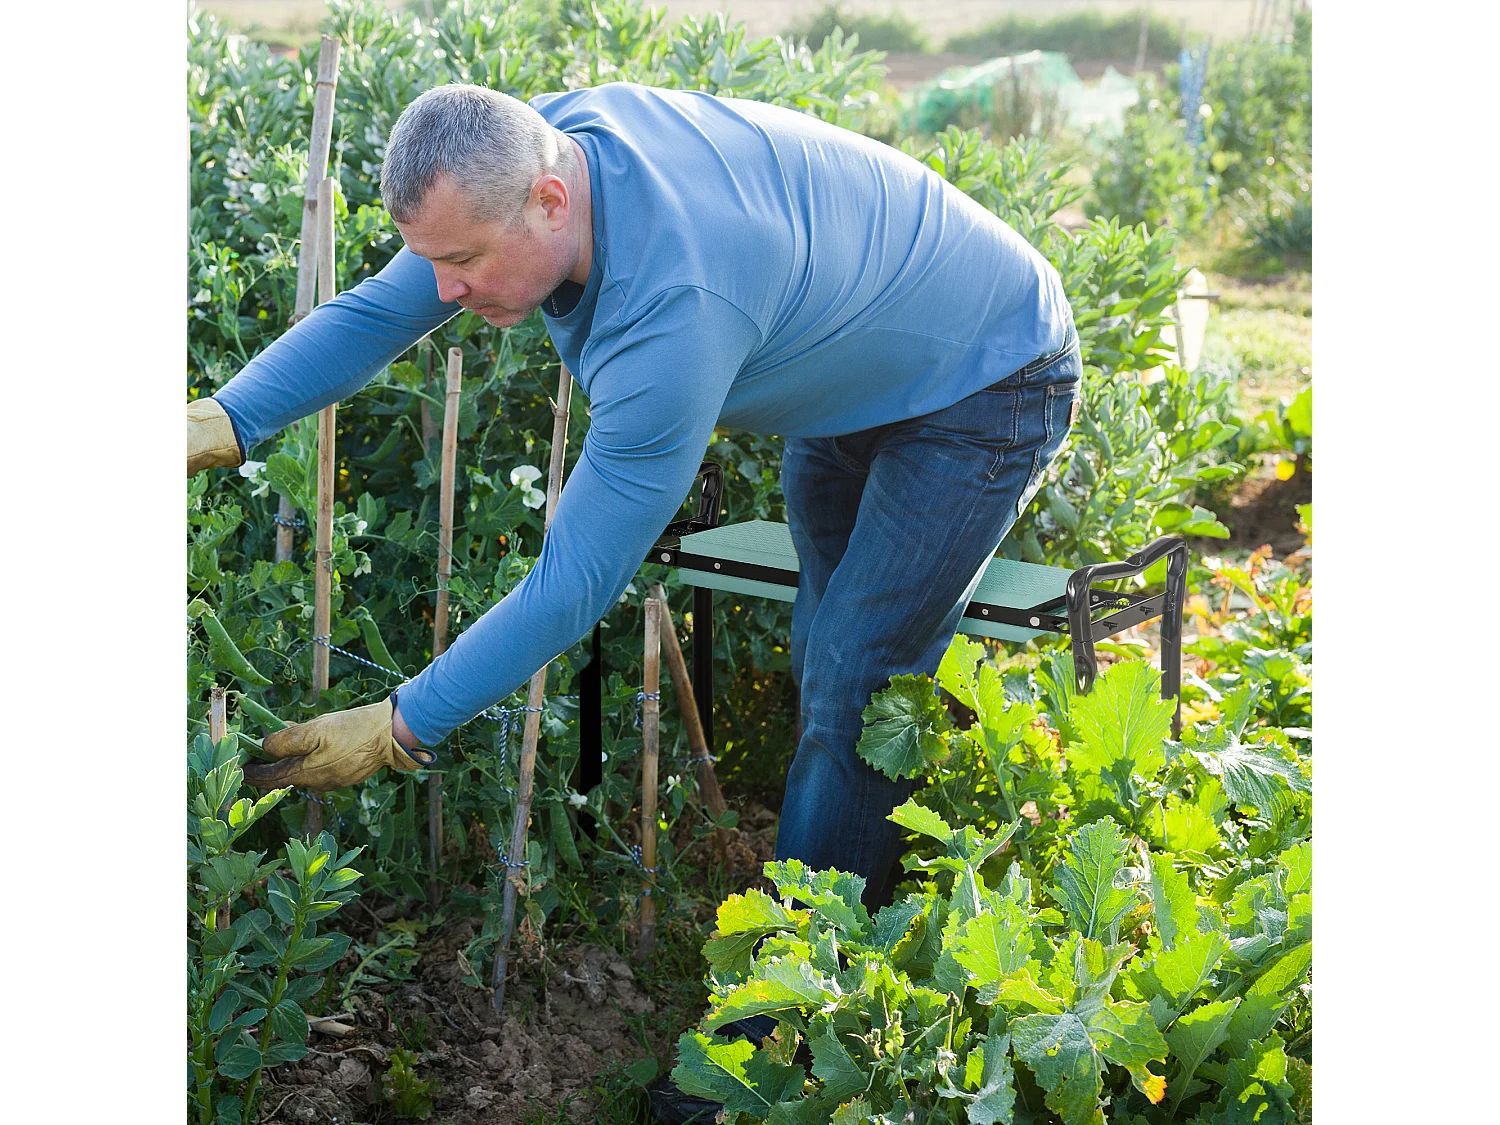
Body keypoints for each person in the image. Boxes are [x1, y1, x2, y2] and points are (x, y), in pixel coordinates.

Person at [186, 81, 1080, 917]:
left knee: (859, 672)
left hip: (987, 373)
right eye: (435, 261)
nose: (446, 291)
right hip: (859, 351)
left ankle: (797, 1008)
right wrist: (221, 420)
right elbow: (382, 310)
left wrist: (399, 724)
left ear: (549, 203)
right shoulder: (537, 146)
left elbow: (574, 581)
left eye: (462, 263)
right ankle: (867, 867)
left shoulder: (674, 312)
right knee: (830, 651)